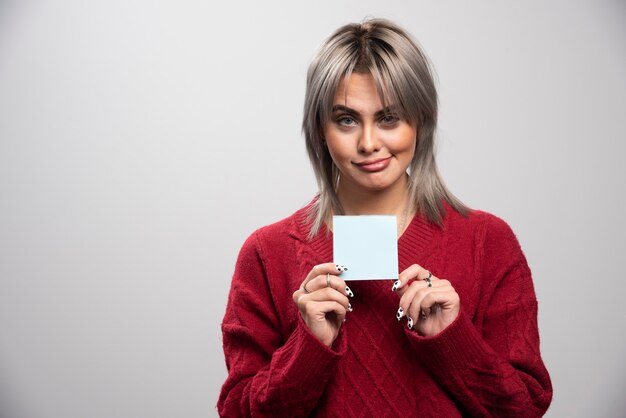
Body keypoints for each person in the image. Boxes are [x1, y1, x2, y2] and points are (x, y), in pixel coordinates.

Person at [217, 18, 552, 417]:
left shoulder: (487, 241)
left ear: (420, 122)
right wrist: (308, 346)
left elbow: (525, 408)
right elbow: (237, 411)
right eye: (346, 119)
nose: (369, 143)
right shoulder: (266, 253)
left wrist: (452, 339)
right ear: (320, 129)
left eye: (389, 118)